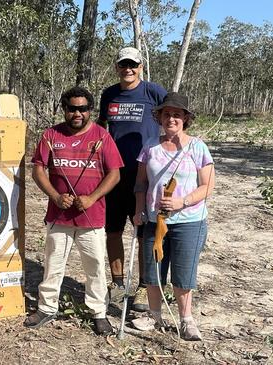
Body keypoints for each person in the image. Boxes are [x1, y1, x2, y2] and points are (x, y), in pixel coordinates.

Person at [23, 86, 122, 336]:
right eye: (72, 108)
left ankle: (98, 312)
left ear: (90, 111)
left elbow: (114, 173)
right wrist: (55, 196)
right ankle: (46, 308)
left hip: (92, 217)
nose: (77, 113)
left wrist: (92, 198)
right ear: (64, 110)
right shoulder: (50, 135)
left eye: (83, 109)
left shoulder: (102, 136)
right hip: (60, 216)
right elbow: (38, 170)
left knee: (95, 267)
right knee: (53, 264)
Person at [131, 92, 215, 341]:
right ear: (159, 117)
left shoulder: (197, 147)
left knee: (183, 272)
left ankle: (186, 320)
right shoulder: (150, 146)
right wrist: (139, 210)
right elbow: (140, 183)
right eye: (167, 114)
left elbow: (207, 186)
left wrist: (181, 201)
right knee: (153, 270)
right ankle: (154, 315)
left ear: (186, 118)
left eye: (177, 114)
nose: (171, 119)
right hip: (155, 220)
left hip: (189, 221)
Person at [98, 46, 167, 312]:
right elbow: (102, 127)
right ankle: (117, 284)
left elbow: (173, 118)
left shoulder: (153, 91)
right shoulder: (109, 94)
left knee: (143, 233)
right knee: (112, 231)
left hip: (144, 175)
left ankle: (143, 286)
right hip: (114, 174)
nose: (128, 69)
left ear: (140, 67)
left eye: (133, 65)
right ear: (117, 67)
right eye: (123, 64)